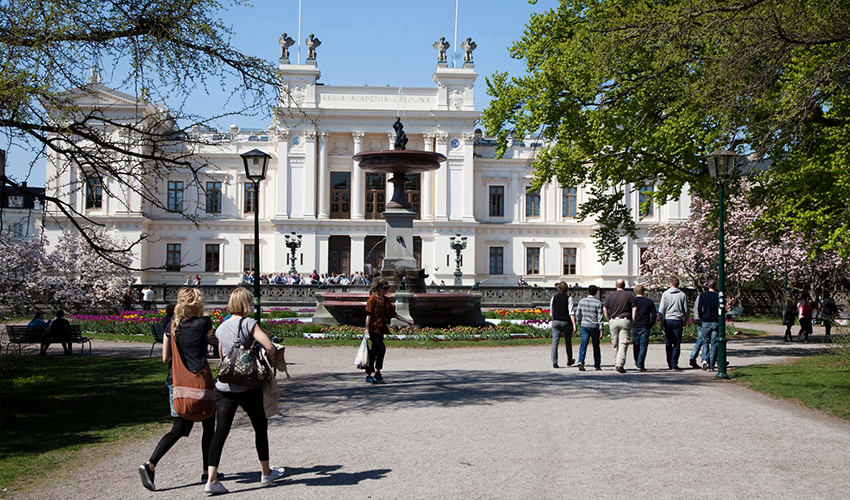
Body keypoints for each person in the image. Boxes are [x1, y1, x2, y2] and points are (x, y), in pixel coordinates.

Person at [204, 288, 285, 495]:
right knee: (259, 427)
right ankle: (266, 472)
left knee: (221, 431)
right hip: (248, 385)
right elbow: (269, 346)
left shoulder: (221, 327)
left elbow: (223, 354)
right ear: (246, 304)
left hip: (225, 386)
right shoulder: (249, 324)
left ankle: (212, 479)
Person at [139, 288, 216, 492]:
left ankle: (150, 464)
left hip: (177, 382)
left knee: (178, 429)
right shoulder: (204, 323)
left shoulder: (171, 327)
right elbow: (211, 341)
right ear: (197, 304)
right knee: (208, 426)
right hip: (199, 382)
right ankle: (207, 472)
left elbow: (165, 358)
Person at [364, 279, 414, 384]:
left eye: (388, 288)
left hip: (381, 328)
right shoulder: (372, 299)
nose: (387, 290)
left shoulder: (386, 301)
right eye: (385, 288)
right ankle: (377, 372)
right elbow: (369, 315)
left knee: (374, 351)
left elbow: (393, 314)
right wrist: (366, 329)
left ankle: (370, 373)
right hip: (373, 329)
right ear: (379, 288)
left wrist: (406, 320)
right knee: (381, 349)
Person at [603, 279, 637, 373]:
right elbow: (634, 308)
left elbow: (605, 308)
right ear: (624, 285)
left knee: (615, 343)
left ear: (615, 285)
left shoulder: (610, 295)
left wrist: (608, 320)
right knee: (623, 343)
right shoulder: (629, 295)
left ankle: (616, 362)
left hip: (613, 320)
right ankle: (620, 364)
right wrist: (633, 320)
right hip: (625, 320)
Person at [658, 277, 689, 371]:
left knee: (668, 342)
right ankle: (674, 363)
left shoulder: (666, 294)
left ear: (671, 284)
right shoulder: (682, 295)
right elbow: (686, 309)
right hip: (678, 320)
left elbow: (662, 309)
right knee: (676, 343)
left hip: (668, 319)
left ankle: (669, 362)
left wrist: (661, 321)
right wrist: (685, 319)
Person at [691, 280, 720, 371]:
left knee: (705, 342)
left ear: (707, 286)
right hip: (715, 320)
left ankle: (704, 360)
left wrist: (701, 317)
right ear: (715, 286)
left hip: (705, 320)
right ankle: (711, 364)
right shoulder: (718, 296)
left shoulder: (702, 296)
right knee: (714, 343)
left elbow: (699, 308)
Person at [575, 285, 604, 371]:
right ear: (595, 293)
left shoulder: (582, 301)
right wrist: (601, 329)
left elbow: (578, 314)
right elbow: (600, 318)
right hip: (594, 326)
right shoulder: (598, 303)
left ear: (588, 291)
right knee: (596, 346)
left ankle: (581, 361)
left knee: (583, 344)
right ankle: (597, 364)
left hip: (585, 325)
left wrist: (580, 322)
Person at [550, 282, 576, 368]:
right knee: (568, 341)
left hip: (556, 321)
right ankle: (569, 360)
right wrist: (574, 325)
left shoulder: (553, 298)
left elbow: (551, 312)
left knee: (555, 342)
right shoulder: (569, 299)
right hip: (566, 322)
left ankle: (554, 361)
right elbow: (571, 313)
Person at [630, 285, 656, 372]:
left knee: (636, 345)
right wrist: (651, 324)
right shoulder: (649, 301)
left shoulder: (632, 301)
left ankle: (637, 361)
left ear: (635, 291)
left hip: (635, 325)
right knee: (643, 346)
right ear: (644, 291)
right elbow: (654, 315)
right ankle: (640, 363)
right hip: (645, 325)